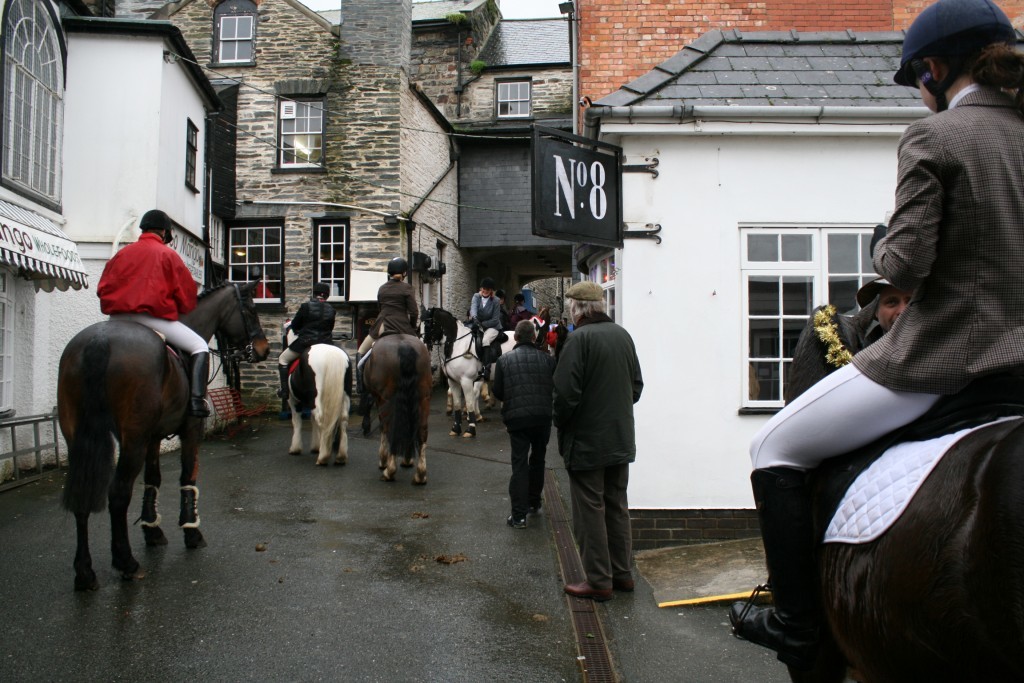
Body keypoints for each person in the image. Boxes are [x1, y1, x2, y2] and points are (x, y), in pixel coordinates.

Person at [730, 0, 1024, 669]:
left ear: (934, 68)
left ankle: (797, 624)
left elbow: (904, 265)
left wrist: (892, 245)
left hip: (945, 360)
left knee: (773, 445)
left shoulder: (937, 137)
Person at [553, 281, 643, 601]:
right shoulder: (623, 336)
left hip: (588, 442)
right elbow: (636, 388)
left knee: (590, 509)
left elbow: (565, 396)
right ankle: (623, 575)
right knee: (617, 506)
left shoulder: (579, 341)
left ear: (576, 308)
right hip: (620, 437)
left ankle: (598, 581)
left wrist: (562, 424)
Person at [98, 209, 210, 417]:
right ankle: (196, 402)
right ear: (165, 233)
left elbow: (102, 288)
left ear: (143, 229)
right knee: (200, 346)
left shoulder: (121, 253)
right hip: (151, 319)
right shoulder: (168, 254)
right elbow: (186, 295)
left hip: (116, 319)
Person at [493, 320, 556, 529]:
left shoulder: (504, 361)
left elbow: (498, 392)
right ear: (533, 337)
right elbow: (552, 387)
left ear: (516, 338)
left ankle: (519, 516)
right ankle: (534, 502)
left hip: (517, 419)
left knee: (519, 464)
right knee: (538, 460)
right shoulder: (548, 360)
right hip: (542, 418)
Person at [357, 257, 418, 377]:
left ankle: (361, 387)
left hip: (382, 325)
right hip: (402, 326)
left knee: (361, 352)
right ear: (404, 273)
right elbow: (414, 312)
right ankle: (429, 367)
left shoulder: (382, 288)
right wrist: (412, 327)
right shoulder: (407, 288)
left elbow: (380, 308)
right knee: (422, 350)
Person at [277, 282, 336, 400]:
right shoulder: (331, 309)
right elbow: (330, 328)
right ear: (327, 295)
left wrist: (300, 330)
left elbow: (295, 325)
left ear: (314, 294)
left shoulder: (306, 306)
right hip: (325, 344)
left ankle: (284, 392)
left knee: (282, 359)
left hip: (305, 343)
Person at [855, 276, 913, 342]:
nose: (902, 311)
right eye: (891, 302)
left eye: (912, 302)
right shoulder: (850, 351)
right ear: (875, 311)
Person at [468, 277, 503, 380]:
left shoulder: (496, 300)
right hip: (477, 323)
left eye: (488, 289)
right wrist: (474, 318)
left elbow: (495, 319)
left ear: (491, 290)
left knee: (485, 340)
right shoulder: (476, 296)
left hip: (493, 326)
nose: (485, 291)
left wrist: (482, 324)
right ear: (481, 288)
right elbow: (473, 308)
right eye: (484, 288)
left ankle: (486, 368)